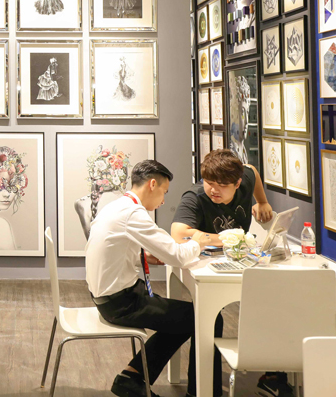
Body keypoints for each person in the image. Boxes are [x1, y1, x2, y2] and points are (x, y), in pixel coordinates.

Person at [86, 159, 222, 397]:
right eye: (164, 192)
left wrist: (143, 257)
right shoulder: (133, 214)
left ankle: (132, 377)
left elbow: (113, 251)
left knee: (184, 318)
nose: (163, 201)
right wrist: (199, 242)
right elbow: (177, 256)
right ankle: (201, 392)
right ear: (152, 184)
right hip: (121, 303)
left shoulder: (117, 206)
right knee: (208, 318)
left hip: (109, 298)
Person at [171, 149, 278, 397]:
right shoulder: (195, 197)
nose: (214, 190)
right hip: (206, 267)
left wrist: (262, 201)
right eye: (209, 182)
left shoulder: (245, 179)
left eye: (222, 185)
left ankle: (276, 375)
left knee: (276, 300)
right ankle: (200, 390)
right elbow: (178, 233)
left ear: (237, 184)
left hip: (241, 263)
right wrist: (225, 238)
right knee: (209, 317)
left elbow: (253, 171)